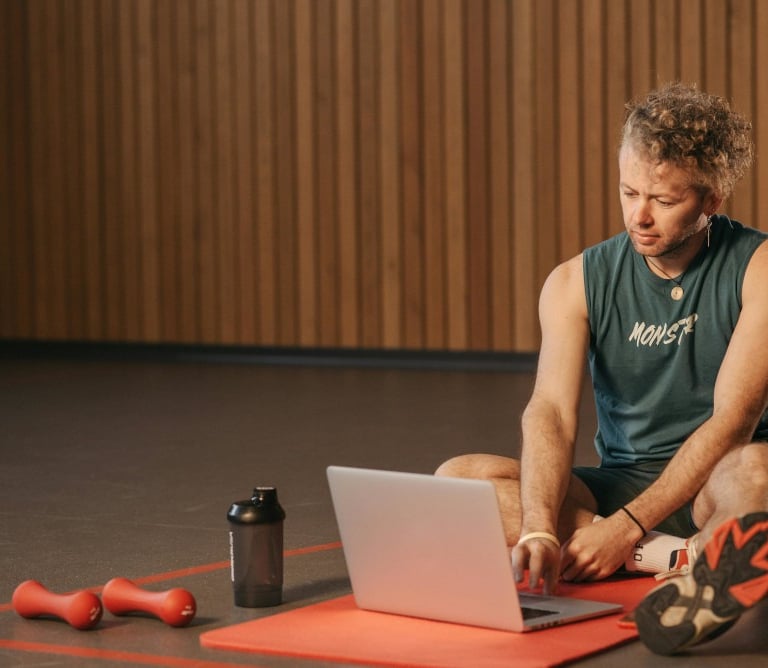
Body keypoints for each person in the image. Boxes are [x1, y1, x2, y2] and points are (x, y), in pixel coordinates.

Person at [435, 82, 768, 655]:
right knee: (457, 480)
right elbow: (551, 412)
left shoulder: (759, 268)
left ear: (711, 199)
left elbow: (731, 423)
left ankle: (713, 550)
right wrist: (540, 526)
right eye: (628, 192)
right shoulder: (574, 282)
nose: (640, 215)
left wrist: (625, 527)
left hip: (722, 480)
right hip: (623, 480)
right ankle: (680, 559)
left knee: (756, 468)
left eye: (663, 200)